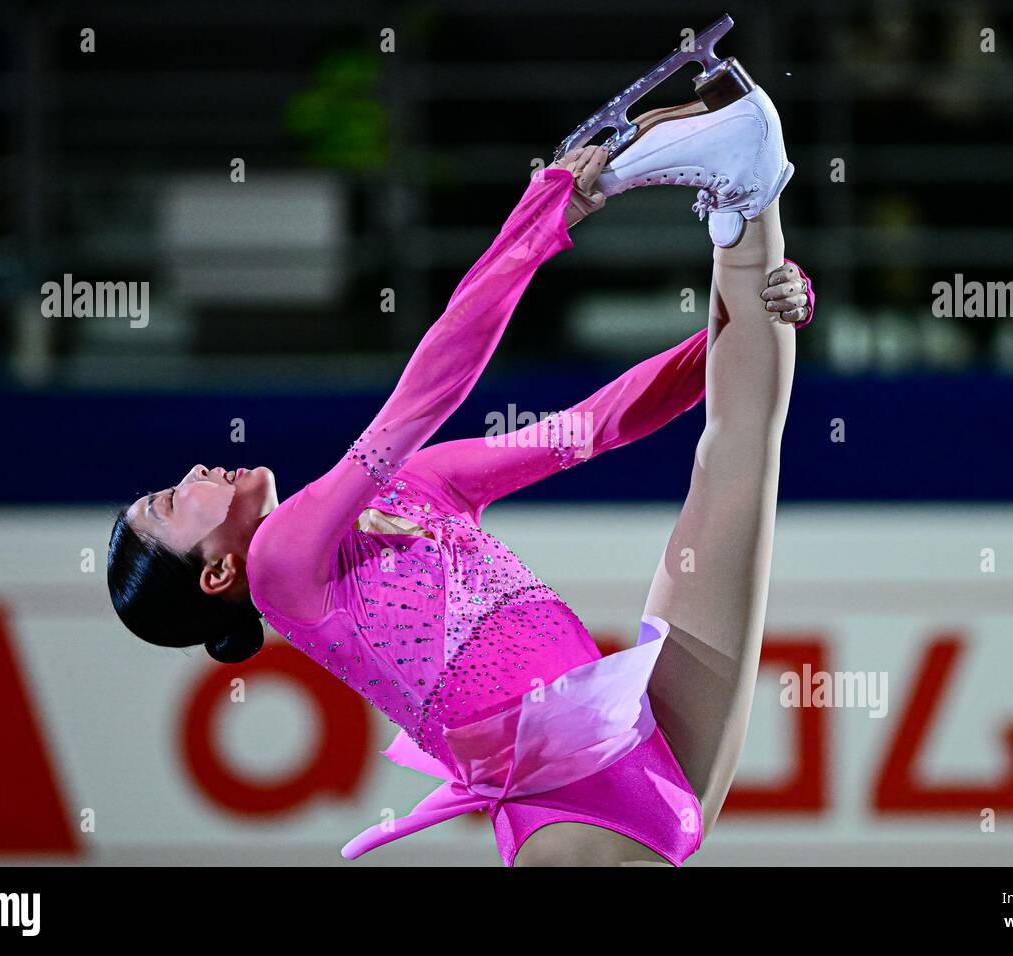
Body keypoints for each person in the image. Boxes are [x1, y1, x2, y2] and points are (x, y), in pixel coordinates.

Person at [109, 83, 812, 866]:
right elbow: (426, 389)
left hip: (644, 737)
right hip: (566, 816)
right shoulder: (280, 569)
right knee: (736, 448)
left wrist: (753, 312)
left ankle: (745, 198)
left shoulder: (416, 488)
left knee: (739, 453)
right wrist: (546, 217)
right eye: (175, 499)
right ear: (215, 576)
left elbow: (594, 426)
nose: (199, 470)